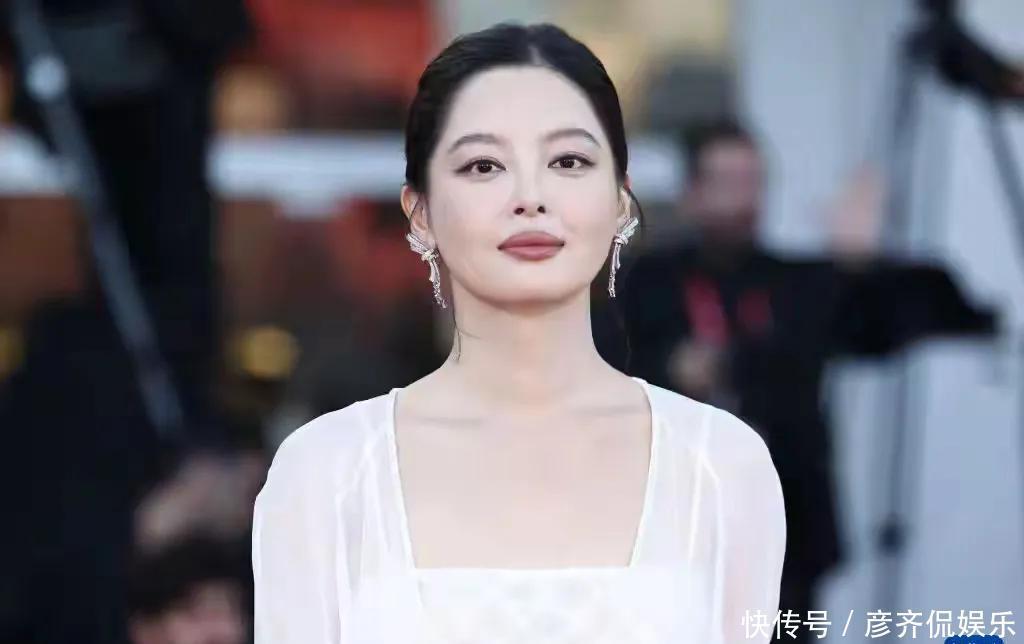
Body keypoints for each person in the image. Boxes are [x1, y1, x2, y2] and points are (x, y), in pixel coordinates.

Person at [252, 23, 785, 644]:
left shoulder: (721, 465)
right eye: (484, 165)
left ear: (620, 200)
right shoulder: (326, 472)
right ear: (420, 212)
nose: (530, 197)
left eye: (568, 162)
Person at [617, 119, 995, 644]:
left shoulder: (796, 284)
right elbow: (610, 368)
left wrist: (862, 261)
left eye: (752, 181)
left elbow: (925, 313)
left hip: (785, 524)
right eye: (726, 182)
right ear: (693, 193)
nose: (743, 199)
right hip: (678, 525)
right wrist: (672, 368)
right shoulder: (647, 282)